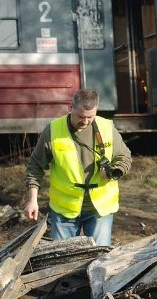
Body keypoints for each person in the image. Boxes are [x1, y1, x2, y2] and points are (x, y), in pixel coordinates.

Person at [23, 88, 132, 247]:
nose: (86, 121)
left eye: (90, 117)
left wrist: (115, 172)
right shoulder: (53, 130)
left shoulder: (107, 127)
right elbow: (35, 166)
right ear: (71, 107)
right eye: (81, 116)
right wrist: (32, 200)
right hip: (64, 210)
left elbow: (125, 156)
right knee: (61, 260)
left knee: (99, 259)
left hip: (100, 209)